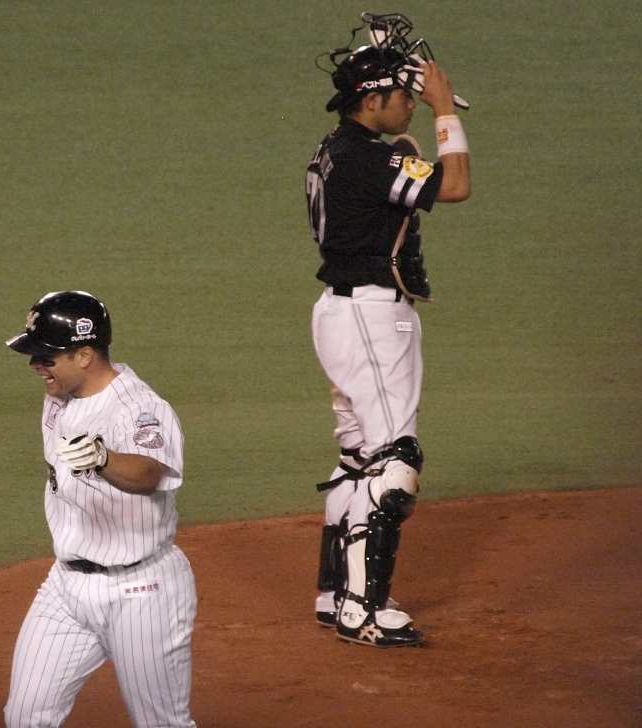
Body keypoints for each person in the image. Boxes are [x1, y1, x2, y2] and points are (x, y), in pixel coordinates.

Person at [305, 15, 472, 647]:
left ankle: (334, 594)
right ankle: (363, 609)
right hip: (370, 318)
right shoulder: (365, 162)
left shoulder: (336, 149)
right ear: (372, 99)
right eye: (402, 95)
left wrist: (383, 63)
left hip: (342, 314)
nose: (411, 102)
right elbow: (454, 184)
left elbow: (397, 164)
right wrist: (443, 113)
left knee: (356, 458)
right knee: (395, 460)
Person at [4, 291, 197, 727]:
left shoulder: (140, 408)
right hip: (66, 587)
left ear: (85, 354)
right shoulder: (59, 397)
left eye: (46, 357)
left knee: (161, 722)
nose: (36, 365)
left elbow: (150, 472)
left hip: (140, 591)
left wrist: (104, 458)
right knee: (24, 716)